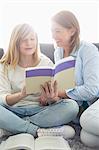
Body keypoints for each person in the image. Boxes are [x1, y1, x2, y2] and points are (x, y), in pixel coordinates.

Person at [0, 23, 79, 139]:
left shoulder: (45, 63)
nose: (29, 43)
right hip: (13, 110)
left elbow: (56, 99)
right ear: (15, 42)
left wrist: (51, 98)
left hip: (40, 111)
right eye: (24, 40)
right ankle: (35, 130)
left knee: (72, 106)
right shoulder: (5, 65)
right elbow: (3, 99)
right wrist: (22, 95)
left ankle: (12, 127)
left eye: (32, 39)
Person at [39, 10, 99, 144]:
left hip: (94, 102)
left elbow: (92, 90)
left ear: (72, 30)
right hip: (78, 110)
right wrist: (52, 96)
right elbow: (62, 82)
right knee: (87, 139)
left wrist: (61, 93)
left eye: (57, 31)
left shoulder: (88, 50)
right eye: (52, 31)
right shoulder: (58, 52)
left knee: (86, 121)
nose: (53, 36)